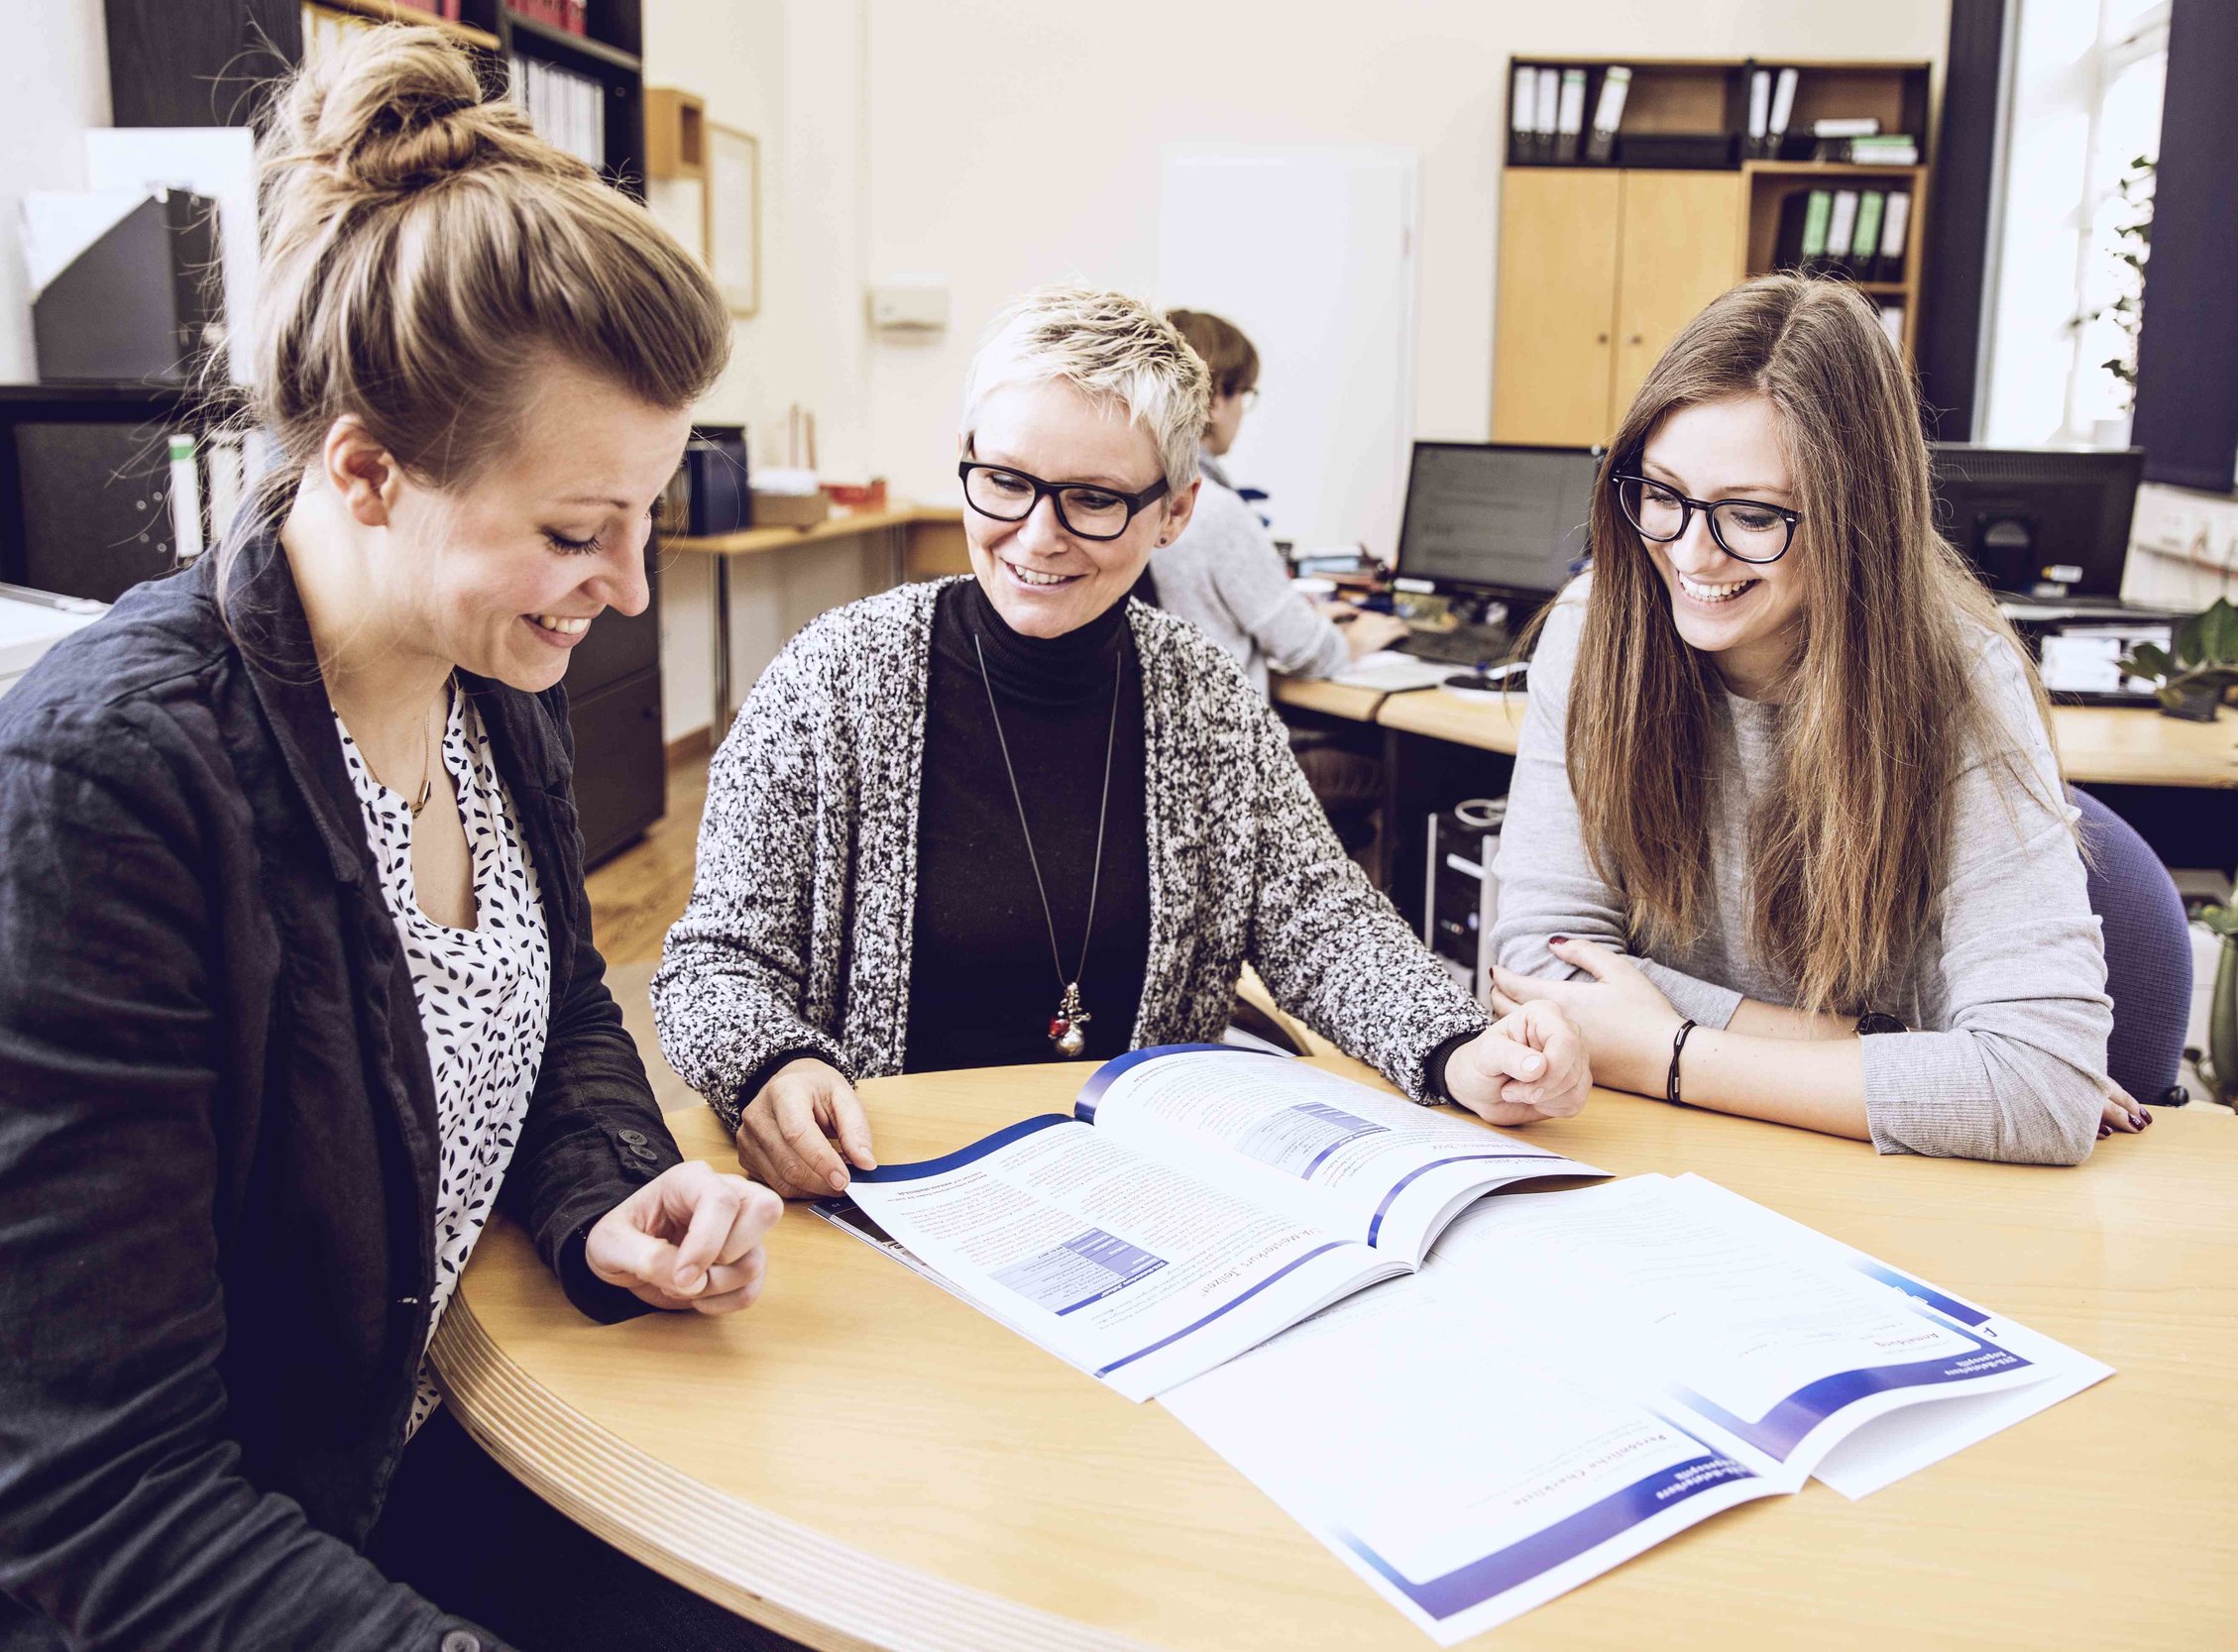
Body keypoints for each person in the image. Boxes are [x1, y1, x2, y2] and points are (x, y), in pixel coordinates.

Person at [0, 31, 797, 1652]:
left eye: (644, 517)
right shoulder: (114, 787)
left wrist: (600, 1196)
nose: (630, 587)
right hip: (240, 1562)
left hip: (446, 1445)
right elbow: (96, 1491)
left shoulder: (487, 681)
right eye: (578, 531)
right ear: (364, 468)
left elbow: (562, 999)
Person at [653, 285, 1589, 1198]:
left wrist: (1456, 1042)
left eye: (1093, 499)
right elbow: (715, 965)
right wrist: (771, 1063)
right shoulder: (830, 684)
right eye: (1007, 483)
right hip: (887, 1181)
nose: (1038, 535)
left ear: (1175, 511)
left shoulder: (1205, 700)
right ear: (969, 463)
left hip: (1134, 1191)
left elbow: (1323, 925)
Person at [1487, 275, 2150, 1166]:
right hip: (1672, 1158)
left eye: (1752, 514)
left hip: (1897, 1191)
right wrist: (1861, 1039)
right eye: (1662, 492)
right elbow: (1539, 967)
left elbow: (2039, 1089)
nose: (1688, 551)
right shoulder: (1595, 627)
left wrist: (1669, 1050)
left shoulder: (1963, 684)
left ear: (1853, 517)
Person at [1148, 308, 1407, 690]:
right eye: (1245, 394)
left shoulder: (1137, 493)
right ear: (1216, 399)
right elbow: (1305, 651)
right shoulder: (1211, 508)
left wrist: (1304, 615)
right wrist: (1355, 640)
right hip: (1228, 733)